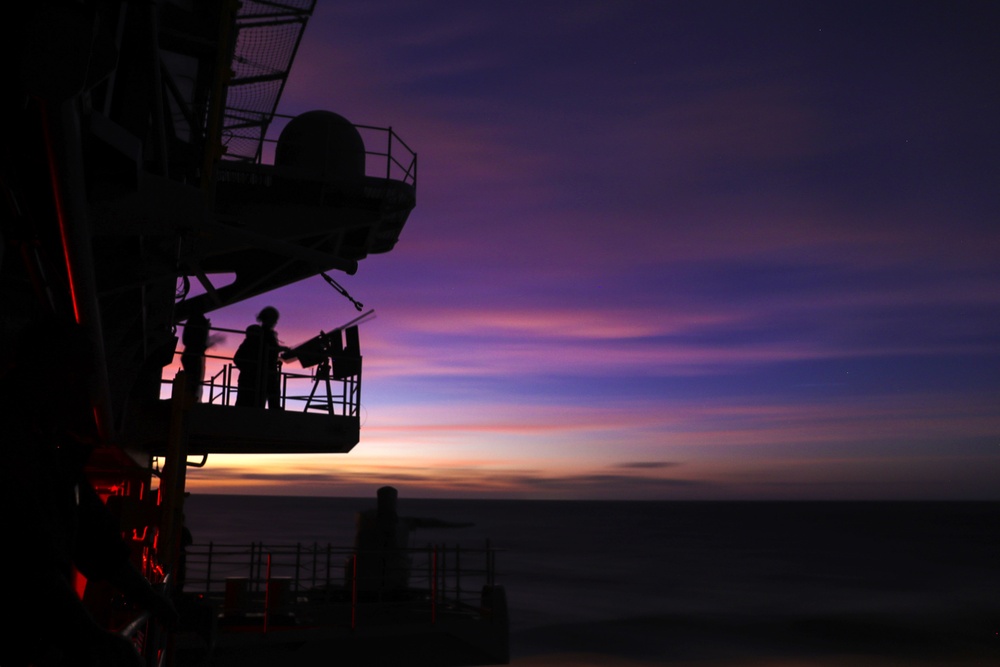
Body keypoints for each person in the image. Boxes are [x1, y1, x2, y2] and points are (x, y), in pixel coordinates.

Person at [351, 486, 472, 595]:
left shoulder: (371, 520)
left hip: (377, 575)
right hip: (380, 575)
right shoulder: (377, 522)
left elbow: (429, 522)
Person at [234, 306, 289, 409]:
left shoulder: (258, 335)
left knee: (248, 406)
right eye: (274, 319)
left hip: (258, 376)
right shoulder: (260, 335)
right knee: (267, 402)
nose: (275, 322)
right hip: (262, 376)